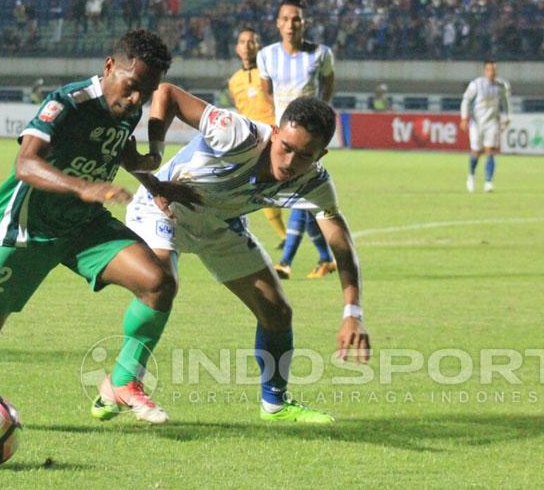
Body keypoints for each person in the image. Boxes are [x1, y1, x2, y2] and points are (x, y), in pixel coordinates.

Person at [0, 30, 197, 428]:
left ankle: (124, 382)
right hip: (26, 229)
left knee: (158, 283)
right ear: (110, 67)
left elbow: (121, 147)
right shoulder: (67, 103)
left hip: (84, 226)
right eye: (131, 88)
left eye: (145, 94)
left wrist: (155, 184)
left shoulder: (125, 109)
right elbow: (25, 163)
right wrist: (85, 187)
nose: (135, 101)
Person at [126, 85, 370, 423]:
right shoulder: (236, 133)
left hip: (220, 223)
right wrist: (153, 155)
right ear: (275, 133)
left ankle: (275, 403)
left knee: (277, 311)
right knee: (162, 280)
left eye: (305, 156)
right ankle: (124, 383)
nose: (290, 162)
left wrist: (352, 310)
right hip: (165, 205)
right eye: (286, 147)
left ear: (320, 155)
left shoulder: (313, 182)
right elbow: (167, 93)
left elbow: (339, 239)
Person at [257, 0, 337, 280]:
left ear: (305, 23)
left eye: (297, 19)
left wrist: (316, 121)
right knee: (302, 199)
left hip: (308, 144)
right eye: (286, 19)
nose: (291, 24)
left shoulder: (321, 54)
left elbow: (327, 85)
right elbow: (267, 91)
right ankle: (326, 258)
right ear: (278, 23)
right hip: (283, 139)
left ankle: (286, 261)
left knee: (299, 197)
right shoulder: (266, 55)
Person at [227, 27, 286, 249]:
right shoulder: (234, 81)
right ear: (237, 48)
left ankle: (289, 236)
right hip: (252, 142)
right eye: (243, 42)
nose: (247, 46)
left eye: (252, 41)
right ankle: (285, 237)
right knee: (256, 188)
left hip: (276, 136)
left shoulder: (270, 74)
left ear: (259, 46)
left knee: (270, 187)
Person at [460, 60, 510, 193]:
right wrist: (464, 118)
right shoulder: (476, 84)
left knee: (490, 151)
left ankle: (488, 182)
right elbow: (466, 100)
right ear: (485, 71)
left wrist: (505, 118)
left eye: (494, 70)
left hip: (492, 122)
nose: (492, 72)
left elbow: (504, 104)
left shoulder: (500, 86)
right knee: (476, 152)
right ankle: (471, 175)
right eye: (489, 70)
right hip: (476, 123)